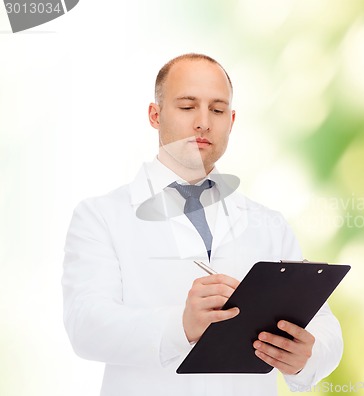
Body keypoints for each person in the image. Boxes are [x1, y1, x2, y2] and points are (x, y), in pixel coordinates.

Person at [62, 53, 343, 396]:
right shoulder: (101, 216)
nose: (203, 122)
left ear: (232, 120)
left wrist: (306, 356)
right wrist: (181, 326)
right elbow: (86, 327)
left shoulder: (268, 223)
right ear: (155, 114)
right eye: (186, 106)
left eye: (217, 109)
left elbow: (323, 323)